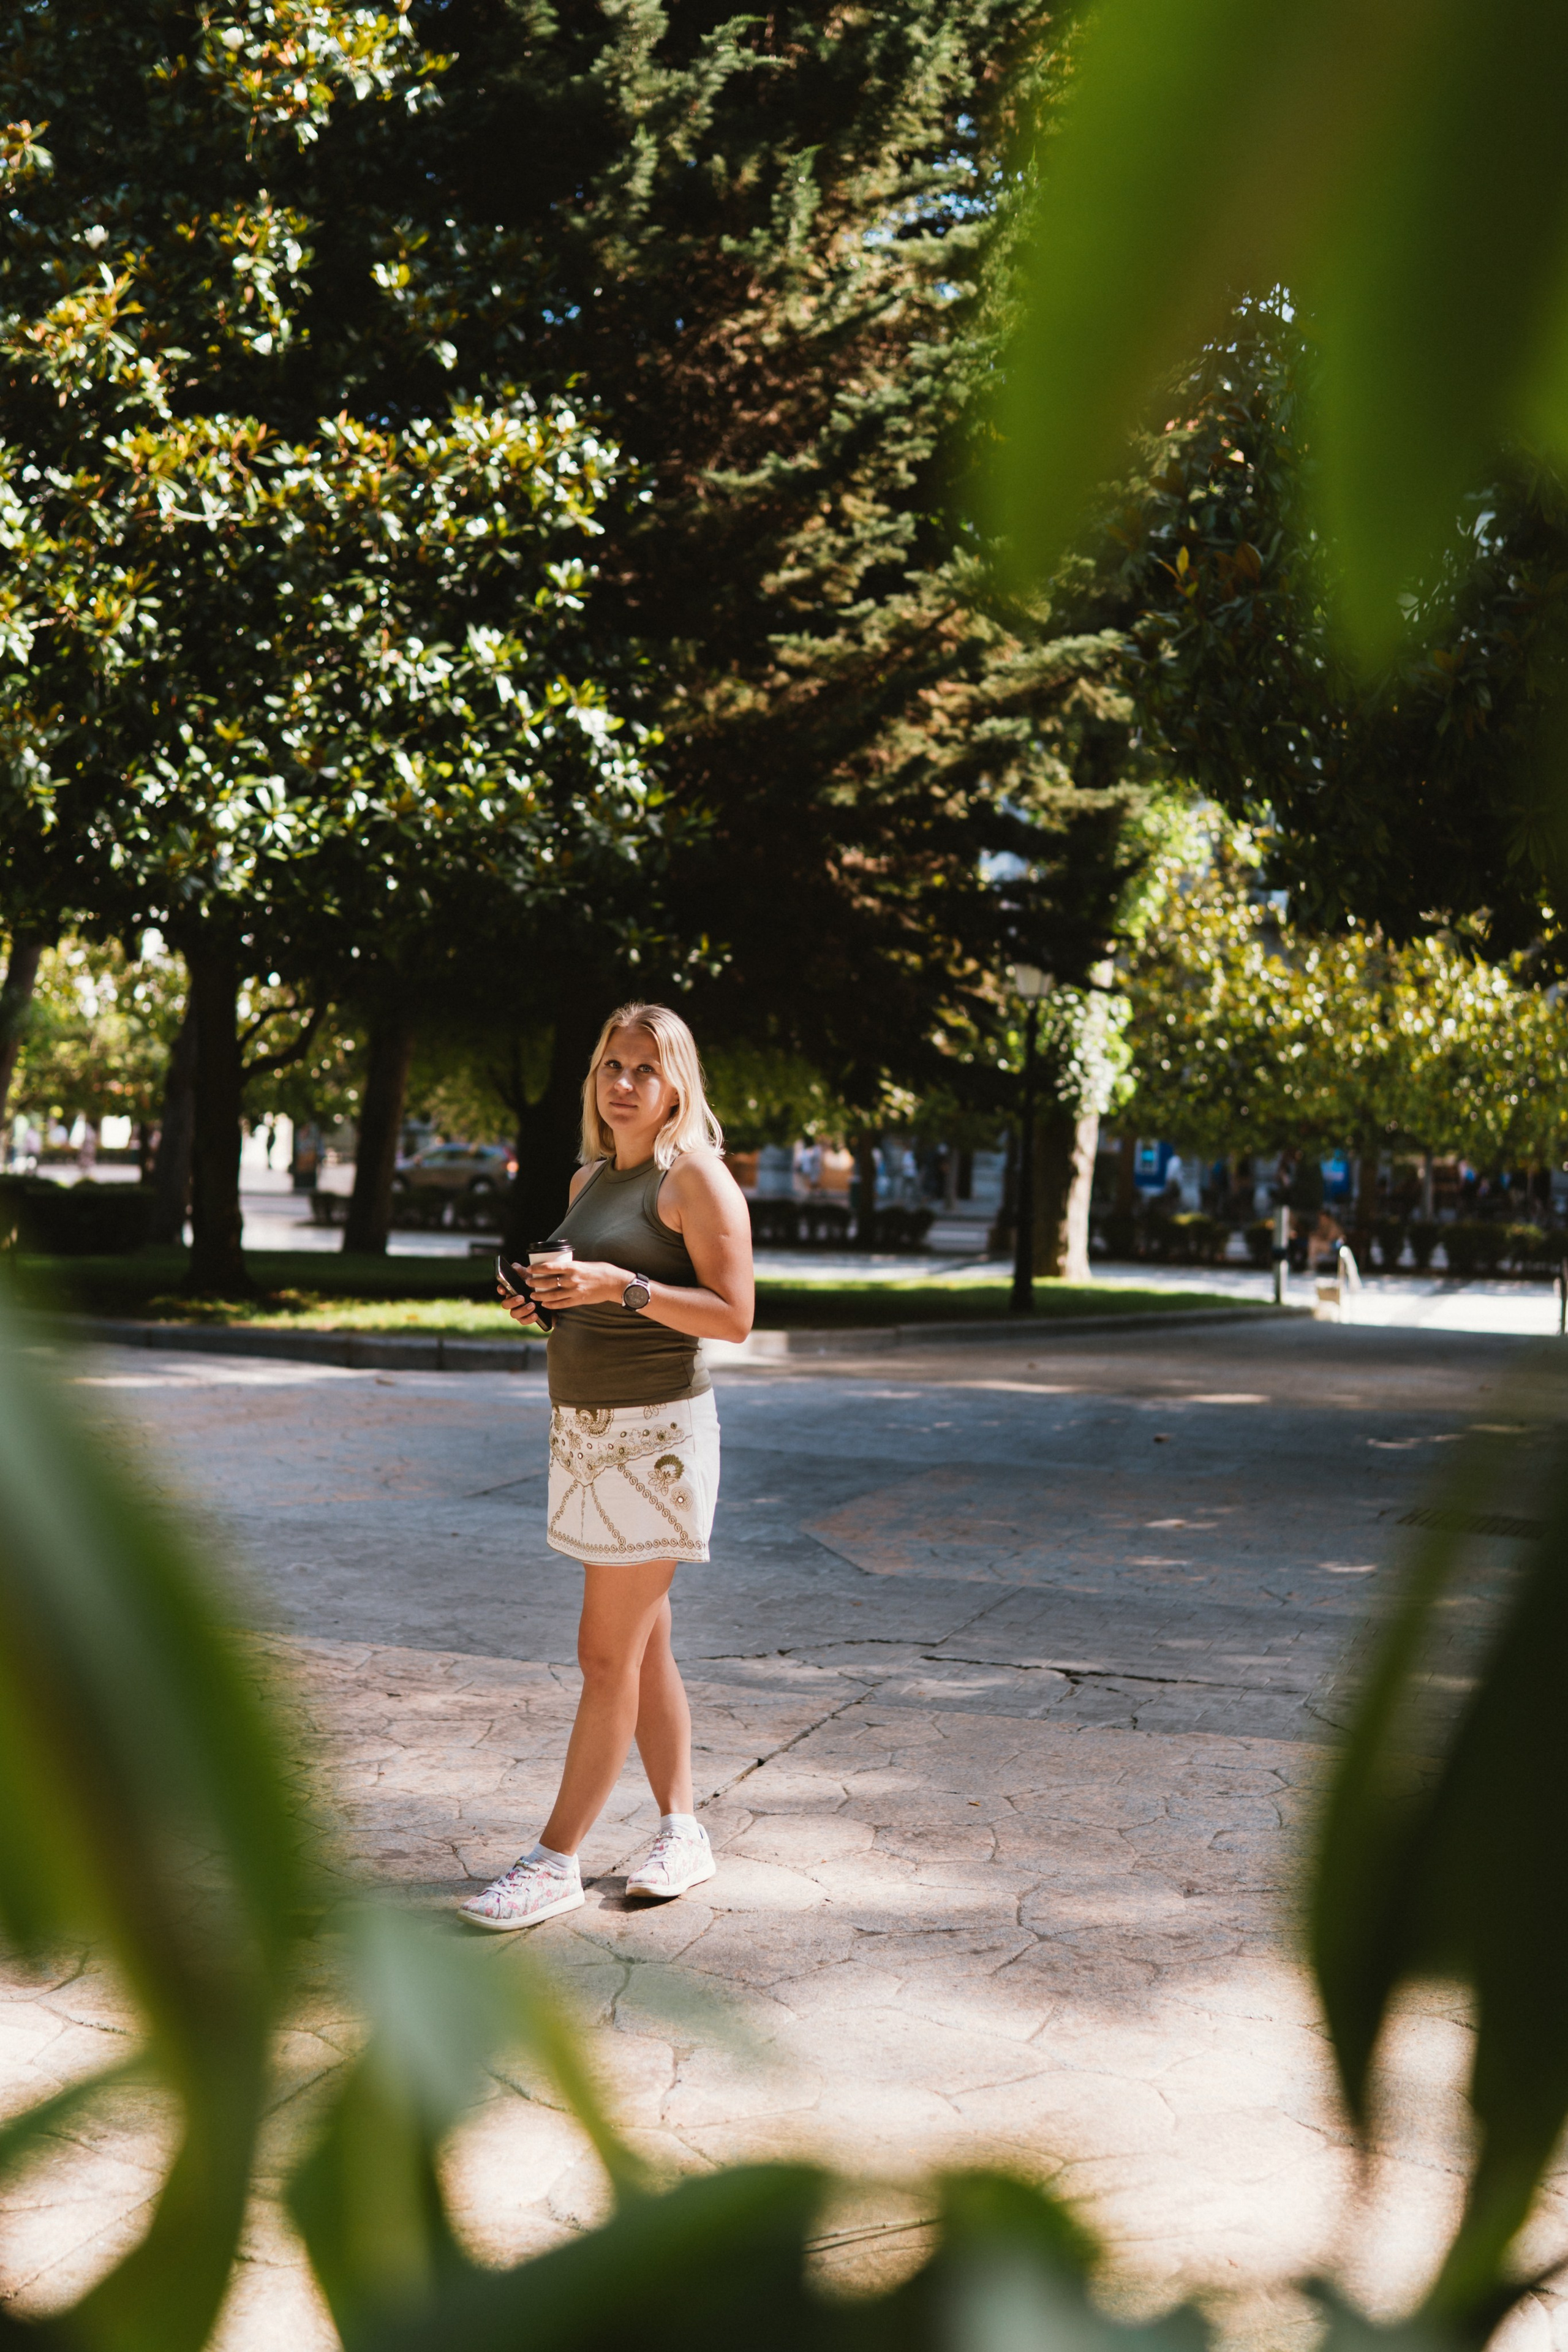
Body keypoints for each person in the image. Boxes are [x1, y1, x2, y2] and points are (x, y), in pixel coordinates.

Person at [458, 1002, 755, 1932]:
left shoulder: (695, 1179)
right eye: (610, 1067)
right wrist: (549, 1306)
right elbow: (595, 1297)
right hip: (587, 1437)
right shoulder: (590, 1177)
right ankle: (682, 1830)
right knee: (644, 1643)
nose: (623, 1084)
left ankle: (554, 1859)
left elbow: (734, 1315)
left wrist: (615, 1286)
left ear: (677, 1086)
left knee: (603, 1654)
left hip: (655, 1441)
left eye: (643, 1070)